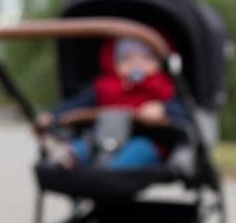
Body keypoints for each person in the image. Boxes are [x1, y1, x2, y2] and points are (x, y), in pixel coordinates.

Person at [37, 37, 188, 170]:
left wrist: (163, 108)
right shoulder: (104, 86)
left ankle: (110, 171)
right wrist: (53, 116)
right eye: (126, 58)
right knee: (85, 143)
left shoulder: (163, 86)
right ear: (113, 62)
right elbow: (75, 104)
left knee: (139, 149)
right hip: (102, 138)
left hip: (146, 140)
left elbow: (184, 111)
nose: (136, 63)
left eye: (146, 57)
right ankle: (68, 158)